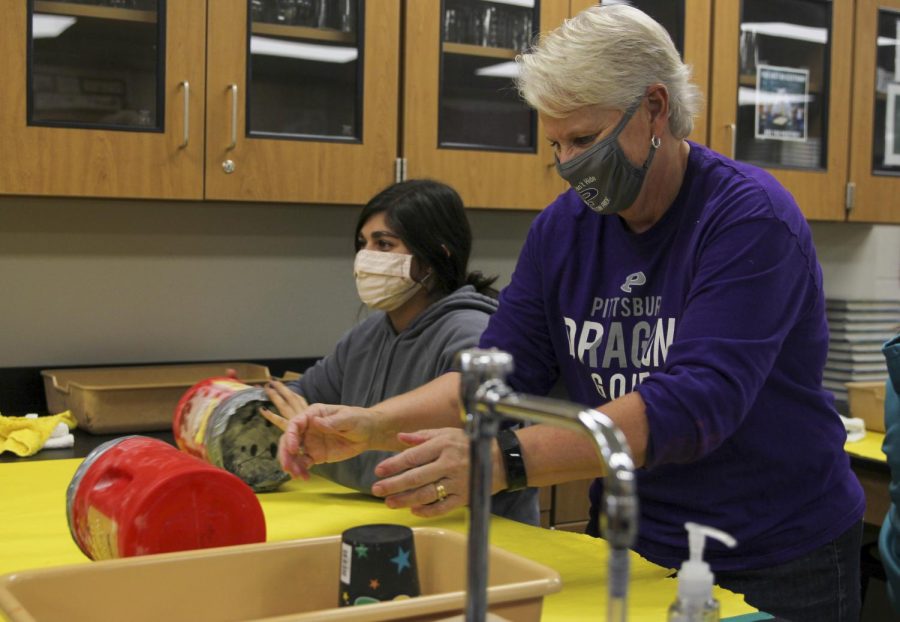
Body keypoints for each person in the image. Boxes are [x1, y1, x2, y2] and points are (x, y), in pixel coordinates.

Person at [269, 6, 864, 620]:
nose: (569, 163)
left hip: (776, 551)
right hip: (637, 539)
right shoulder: (563, 229)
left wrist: (505, 460)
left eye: (584, 139)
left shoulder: (748, 218)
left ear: (655, 108)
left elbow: (694, 404)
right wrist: (373, 423)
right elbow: (497, 376)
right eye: (556, 143)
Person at [263, 178, 540, 526]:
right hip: (390, 519)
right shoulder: (367, 335)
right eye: (362, 244)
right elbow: (300, 397)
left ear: (437, 255)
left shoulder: (473, 331)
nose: (366, 258)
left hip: (473, 530)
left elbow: (472, 418)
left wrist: (351, 426)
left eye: (384, 244)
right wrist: (235, 401)